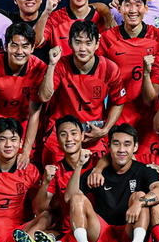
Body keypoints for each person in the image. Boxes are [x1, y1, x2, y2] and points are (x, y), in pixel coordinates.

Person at [65, 124, 159, 242]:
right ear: (108, 147)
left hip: (130, 232)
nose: (121, 150)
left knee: (140, 196)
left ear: (135, 147)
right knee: (77, 197)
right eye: (116, 144)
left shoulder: (143, 170)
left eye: (127, 144)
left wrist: (140, 203)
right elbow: (69, 198)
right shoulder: (97, 173)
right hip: (103, 235)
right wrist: (79, 165)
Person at [38, 20, 126, 165]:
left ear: (97, 44)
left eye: (88, 43)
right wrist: (52, 65)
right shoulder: (60, 65)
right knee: (55, 176)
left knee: (98, 176)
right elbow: (43, 96)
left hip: (93, 133)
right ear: (70, 43)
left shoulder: (110, 69)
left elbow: (118, 102)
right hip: (60, 134)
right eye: (78, 42)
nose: (83, 48)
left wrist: (105, 130)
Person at [99, 0, 159, 155]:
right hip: (116, 120)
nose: (132, 10)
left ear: (146, 8)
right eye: (127, 5)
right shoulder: (107, 39)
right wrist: (106, 12)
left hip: (149, 123)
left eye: (138, 5)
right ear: (119, 8)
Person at [0, 22, 45, 167]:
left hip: (20, 121)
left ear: (32, 48)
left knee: (23, 165)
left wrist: (26, 151)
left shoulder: (39, 68)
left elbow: (34, 113)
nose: (19, 51)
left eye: (25, 46)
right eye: (14, 45)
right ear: (6, 46)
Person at [31, 115, 97, 242]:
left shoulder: (97, 163)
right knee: (42, 227)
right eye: (63, 134)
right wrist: (46, 182)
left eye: (73, 133)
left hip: (95, 229)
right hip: (67, 230)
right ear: (58, 139)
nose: (69, 139)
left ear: (82, 135)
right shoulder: (55, 169)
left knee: (77, 199)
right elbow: (40, 208)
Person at [34, 0, 107, 57]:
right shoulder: (54, 19)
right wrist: (46, 12)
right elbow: (34, 42)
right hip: (61, 71)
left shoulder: (103, 19)